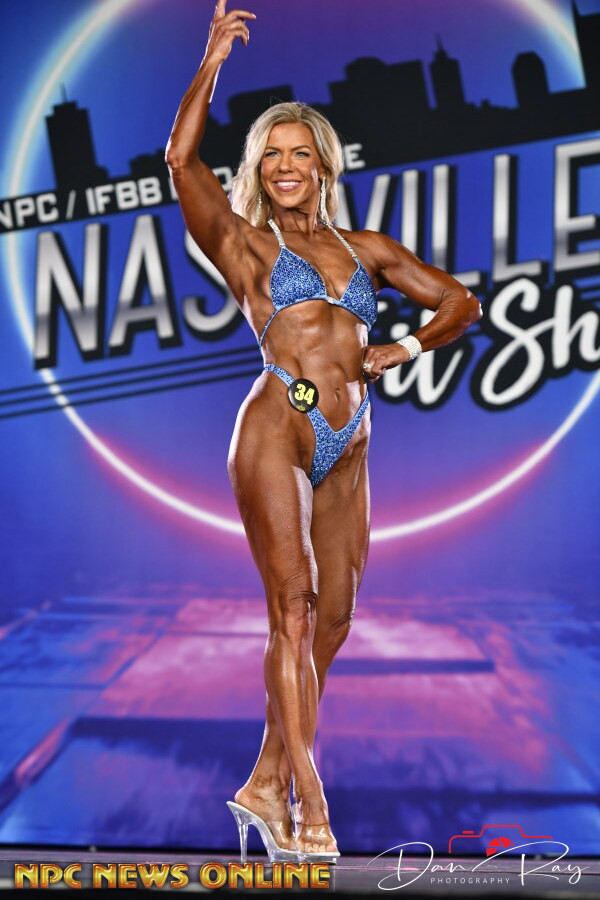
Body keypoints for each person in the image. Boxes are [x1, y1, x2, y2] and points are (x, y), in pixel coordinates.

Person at [165, 0, 482, 866]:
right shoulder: (246, 246)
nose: (284, 166)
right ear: (258, 170)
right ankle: (307, 797)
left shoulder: (367, 250)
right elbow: (180, 159)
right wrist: (211, 63)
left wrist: (405, 346)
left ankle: (264, 781)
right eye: (270, 154)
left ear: (324, 164)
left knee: (334, 617)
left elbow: (461, 302)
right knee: (294, 608)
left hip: (354, 440)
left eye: (298, 152)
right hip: (279, 422)